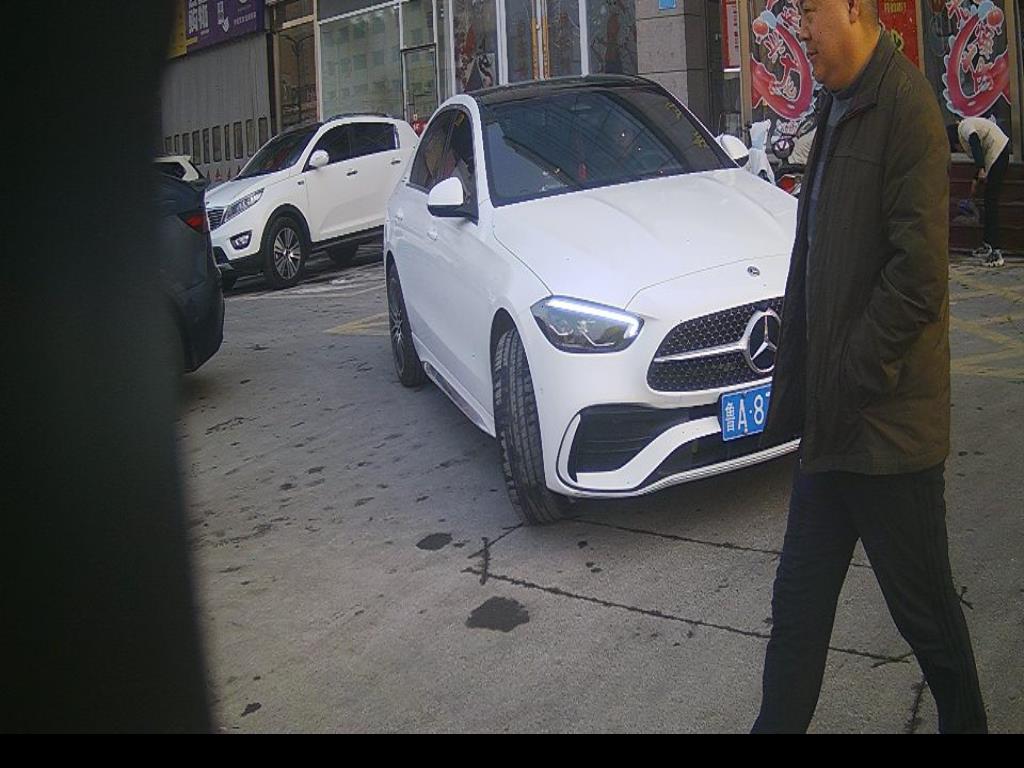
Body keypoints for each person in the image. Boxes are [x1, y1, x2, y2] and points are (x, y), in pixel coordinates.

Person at [754, 0, 987, 733]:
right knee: (797, 614)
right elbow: (814, 259)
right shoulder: (837, 104)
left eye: (809, 11)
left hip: (887, 436)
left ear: (853, 7)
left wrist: (846, 377)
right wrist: (799, 379)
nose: (799, 29)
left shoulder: (907, 109)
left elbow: (916, 280)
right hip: (831, 431)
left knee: (930, 624)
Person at [956, 117, 1010, 267]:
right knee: (988, 200)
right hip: (995, 153)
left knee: (991, 202)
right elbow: (982, 150)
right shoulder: (967, 126)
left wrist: (980, 169)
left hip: (999, 151)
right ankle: (988, 245)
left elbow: (974, 141)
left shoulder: (964, 127)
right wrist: (976, 177)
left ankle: (996, 251)